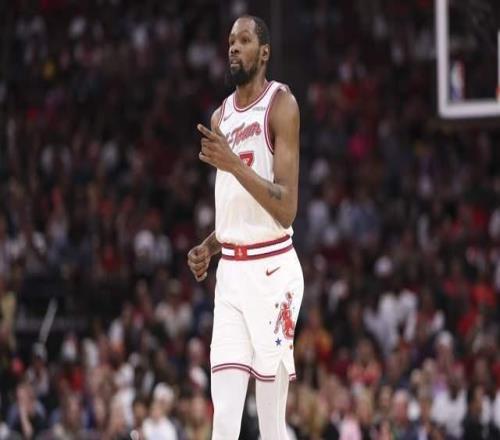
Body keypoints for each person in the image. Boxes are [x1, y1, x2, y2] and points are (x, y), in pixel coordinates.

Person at [187, 14, 303, 440]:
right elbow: (238, 211)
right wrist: (209, 246)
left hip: (273, 272)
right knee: (224, 421)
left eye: (244, 40)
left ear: (264, 52)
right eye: (230, 41)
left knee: (271, 426)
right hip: (231, 275)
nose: (234, 47)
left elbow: (286, 209)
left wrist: (233, 163)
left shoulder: (282, 104)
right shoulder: (221, 117)